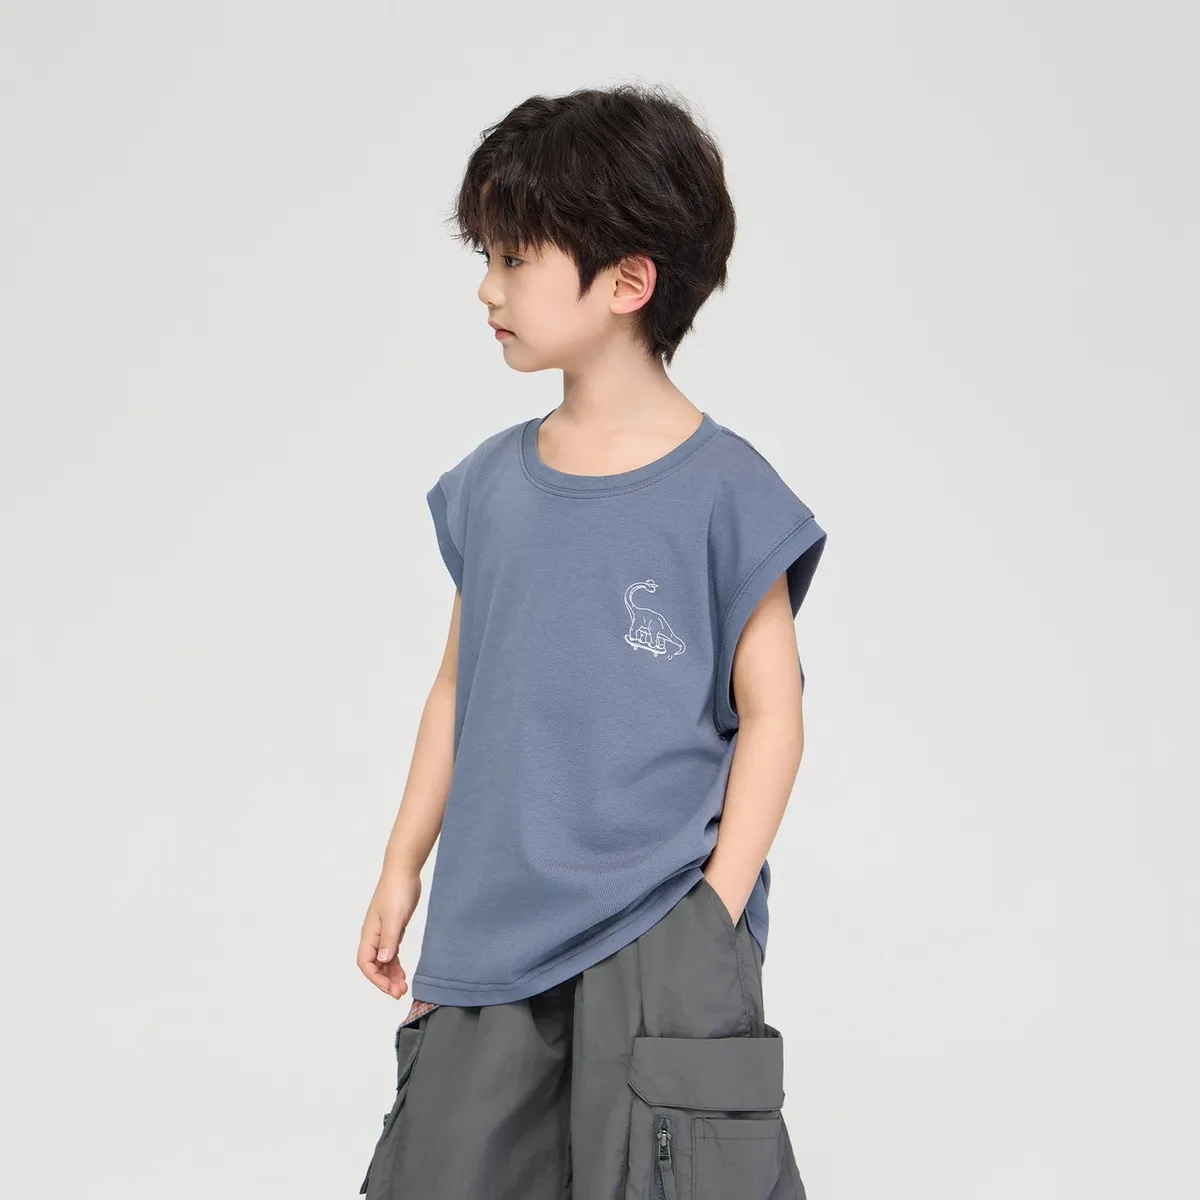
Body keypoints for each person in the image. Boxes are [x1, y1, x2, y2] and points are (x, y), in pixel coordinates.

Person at [354, 83, 827, 1199]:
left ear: (627, 282)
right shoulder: (490, 489)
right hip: (491, 926)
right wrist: (401, 865)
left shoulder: (726, 493)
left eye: (515, 258)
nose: (488, 287)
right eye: (487, 256)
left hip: (659, 925)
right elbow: (457, 691)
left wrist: (716, 906)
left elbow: (775, 713)